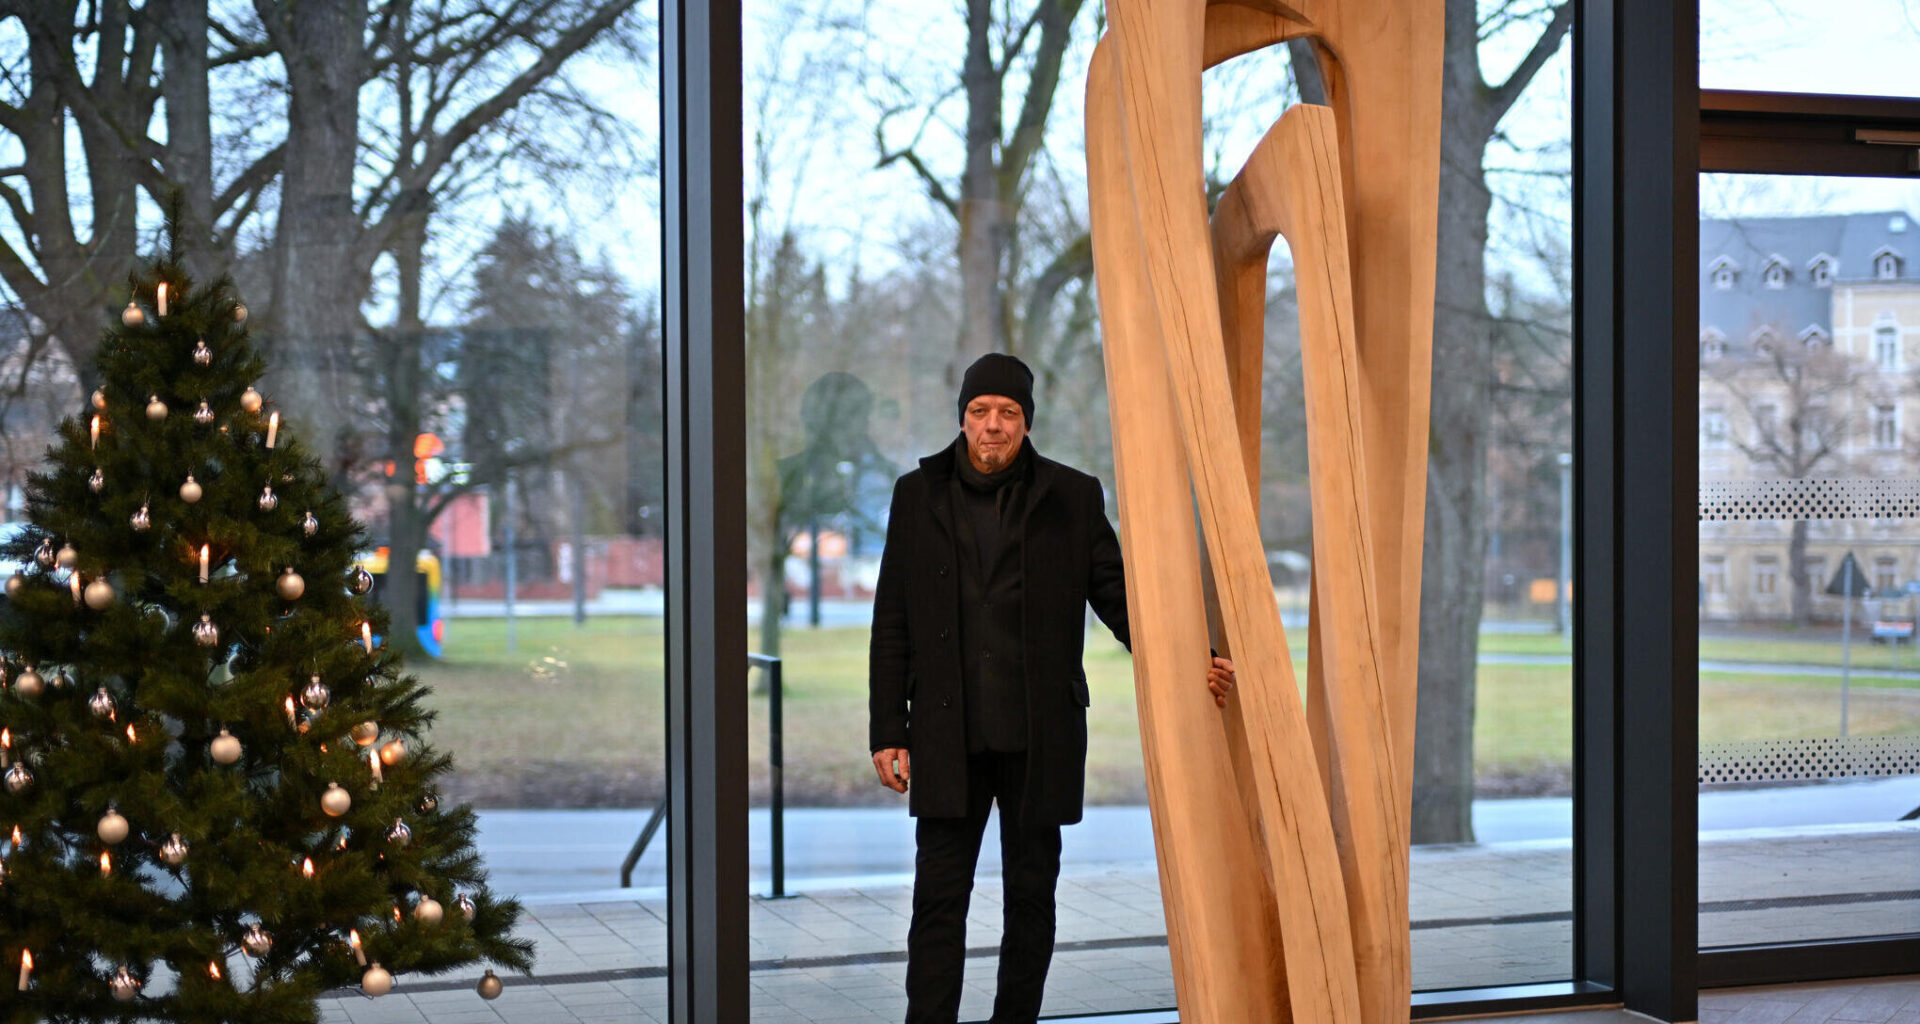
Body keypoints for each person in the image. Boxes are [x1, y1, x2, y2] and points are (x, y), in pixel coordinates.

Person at [868, 352, 1236, 1023]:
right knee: (937, 901)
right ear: (963, 418)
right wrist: (889, 727)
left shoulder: (1071, 496)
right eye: (981, 411)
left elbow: (1119, 597)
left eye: (1008, 413)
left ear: (1027, 424)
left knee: (1031, 899)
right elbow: (892, 616)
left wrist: (1193, 657)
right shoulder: (915, 495)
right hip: (948, 735)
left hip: (1040, 737)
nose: (993, 425)